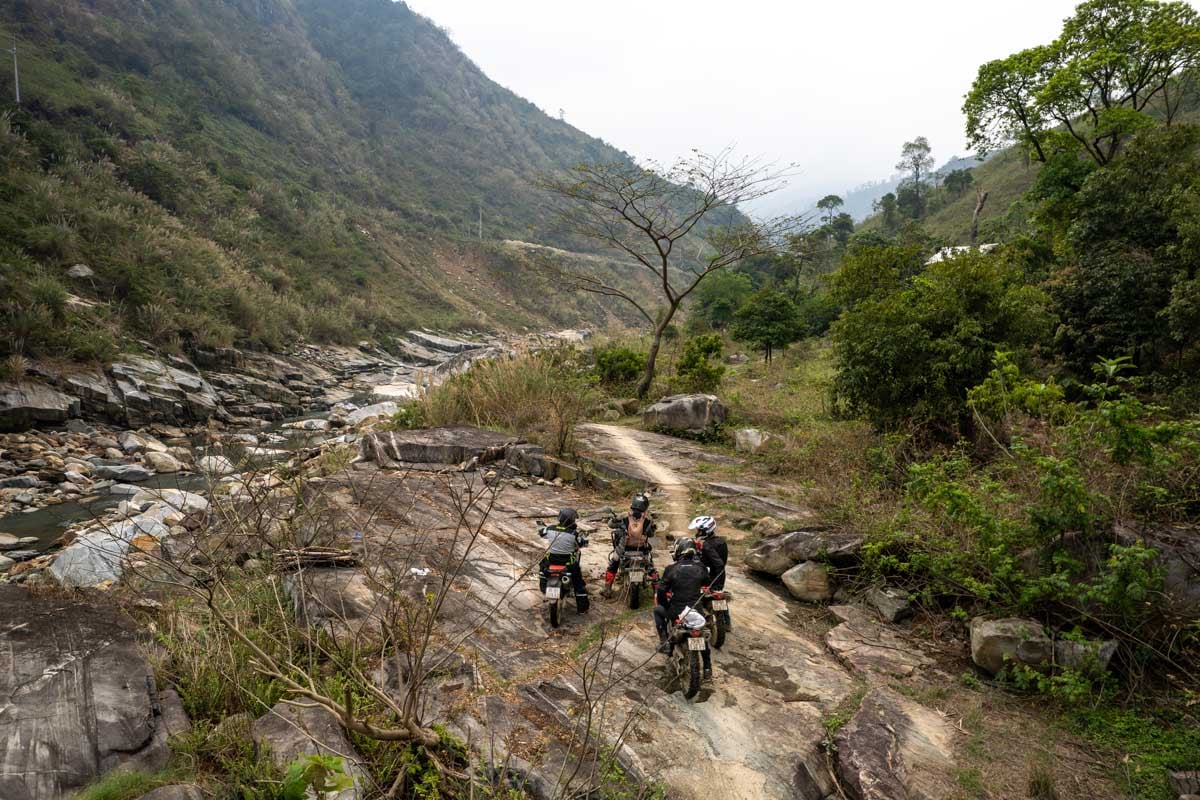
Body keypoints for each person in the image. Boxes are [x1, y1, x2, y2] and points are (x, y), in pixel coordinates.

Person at [653, 538, 716, 680]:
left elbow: (662, 591)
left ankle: (665, 643)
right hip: (696, 610)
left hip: (677, 611)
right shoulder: (700, 567)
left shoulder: (671, 569)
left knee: (657, 611)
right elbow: (707, 582)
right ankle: (707, 668)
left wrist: (666, 606)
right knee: (701, 634)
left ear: (679, 550)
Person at [602, 493, 658, 597]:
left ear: (633, 504)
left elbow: (610, 525)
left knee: (613, 565)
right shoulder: (648, 519)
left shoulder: (624, 516)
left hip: (623, 549)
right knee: (651, 567)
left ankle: (607, 589)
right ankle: (657, 591)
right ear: (645, 507)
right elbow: (651, 534)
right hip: (642, 550)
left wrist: (614, 520)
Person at [539, 507, 590, 613]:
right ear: (572, 521)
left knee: (542, 568)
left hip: (551, 561)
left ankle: (544, 586)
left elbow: (541, 533)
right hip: (568, 563)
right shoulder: (574, 534)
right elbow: (581, 543)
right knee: (578, 583)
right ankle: (582, 608)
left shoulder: (550, 529)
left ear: (560, 518)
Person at [689, 514, 731, 630]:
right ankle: (727, 622)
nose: (697, 532)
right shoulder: (721, 542)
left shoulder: (706, 545)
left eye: (699, 530)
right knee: (720, 596)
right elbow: (722, 562)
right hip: (720, 577)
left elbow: (715, 562)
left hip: (708, 579)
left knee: (693, 594)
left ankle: (697, 618)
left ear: (704, 531)